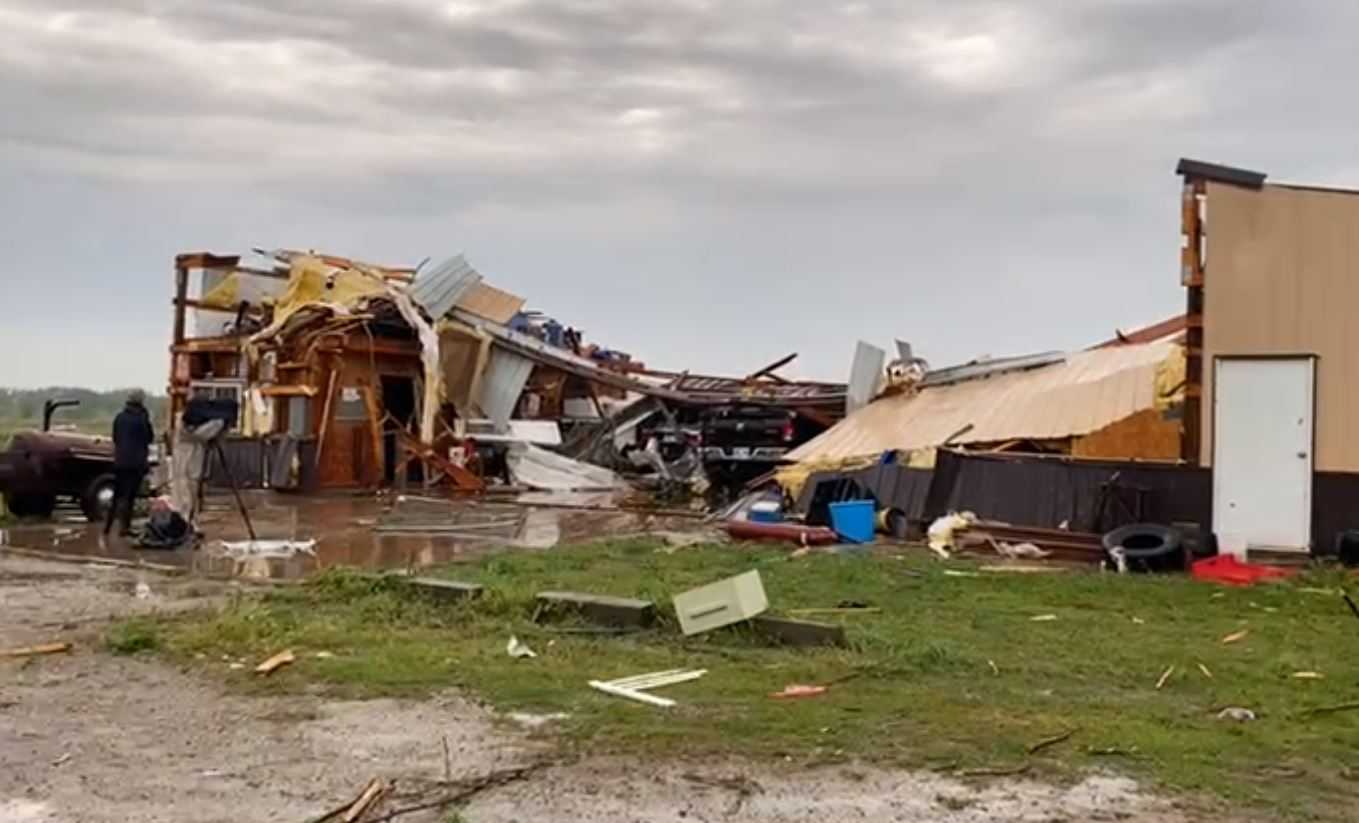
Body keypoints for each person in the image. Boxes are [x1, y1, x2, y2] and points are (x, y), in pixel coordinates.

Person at [105, 389, 154, 537]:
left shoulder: (119, 417)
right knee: (130, 496)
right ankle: (124, 527)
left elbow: (115, 437)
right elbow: (149, 437)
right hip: (136, 463)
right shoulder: (141, 418)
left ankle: (107, 526)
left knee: (118, 495)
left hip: (120, 461)